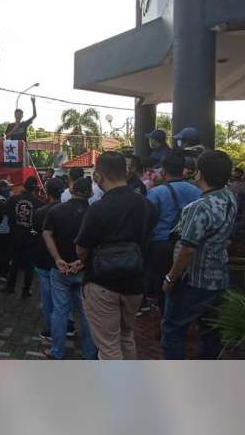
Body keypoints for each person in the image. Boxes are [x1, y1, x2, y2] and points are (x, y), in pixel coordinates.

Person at [76, 152, 157, 360]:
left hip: (102, 283)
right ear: (126, 172)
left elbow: (82, 249)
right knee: (126, 336)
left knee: (108, 346)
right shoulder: (147, 205)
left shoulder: (98, 208)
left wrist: (81, 261)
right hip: (135, 282)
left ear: (98, 176)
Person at [161, 150, 238, 360]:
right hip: (218, 277)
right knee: (210, 331)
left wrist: (171, 278)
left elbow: (187, 248)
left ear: (200, 173)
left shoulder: (198, 207)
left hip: (192, 280)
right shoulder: (230, 198)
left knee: (173, 329)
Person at [42, 177, 98, 360]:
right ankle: (89, 354)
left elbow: (47, 233)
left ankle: (57, 351)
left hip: (60, 269)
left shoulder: (56, 210)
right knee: (87, 314)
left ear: (72, 190)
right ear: (90, 193)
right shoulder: (94, 213)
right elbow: (98, 242)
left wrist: (57, 259)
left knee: (60, 311)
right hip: (86, 270)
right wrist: (81, 262)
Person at [145, 153, 201, 315]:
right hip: (187, 244)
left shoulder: (156, 192)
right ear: (183, 170)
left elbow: (148, 220)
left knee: (163, 284)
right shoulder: (197, 192)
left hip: (161, 244)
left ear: (163, 171)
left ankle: (167, 317)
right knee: (185, 282)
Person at [30, 178, 68, 342]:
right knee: (64, 298)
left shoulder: (41, 211)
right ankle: (68, 326)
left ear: (47, 191)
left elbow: (36, 230)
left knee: (47, 298)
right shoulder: (68, 210)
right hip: (63, 258)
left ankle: (50, 330)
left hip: (44, 258)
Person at [4, 176, 43, 297]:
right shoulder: (39, 203)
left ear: (24, 186)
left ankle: (10, 286)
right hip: (31, 237)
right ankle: (26, 289)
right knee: (29, 265)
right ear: (35, 188)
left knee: (14, 262)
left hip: (15, 235)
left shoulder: (13, 199)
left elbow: (6, 213)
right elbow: (39, 223)